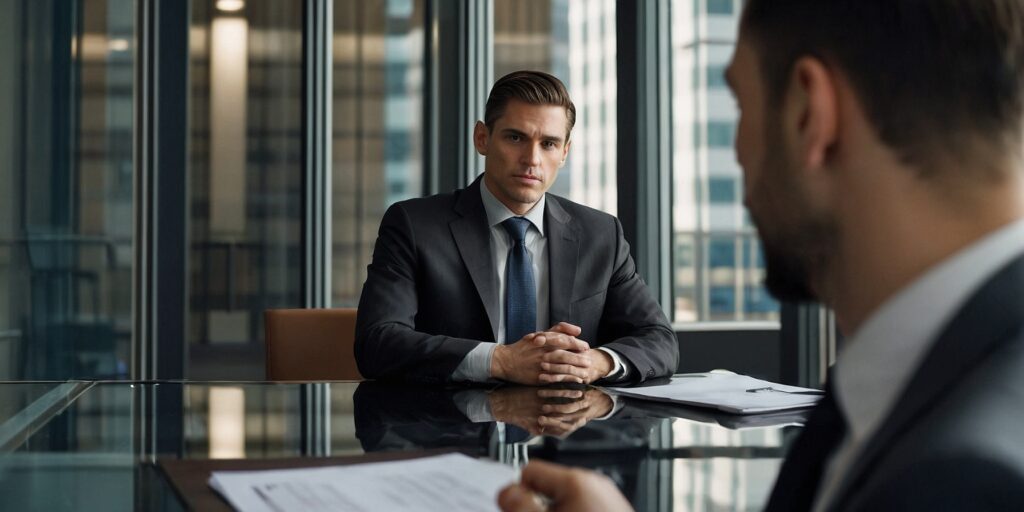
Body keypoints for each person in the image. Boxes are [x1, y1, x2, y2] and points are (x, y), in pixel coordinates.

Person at [499, 1, 1024, 510]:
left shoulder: (964, 475)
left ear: (809, 115)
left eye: (742, 105)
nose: (738, 152)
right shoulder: (931, 383)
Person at [355, 71, 678, 385]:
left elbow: (659, 340)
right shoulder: (415, 225)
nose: (531, 159)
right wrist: (501, 361)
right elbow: (378, 343)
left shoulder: (600, 233)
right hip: (451, 429)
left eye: (548, 144)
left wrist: (596, 362)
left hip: (567, 428)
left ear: (564, 152)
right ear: (482, 138)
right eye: (515, 137)